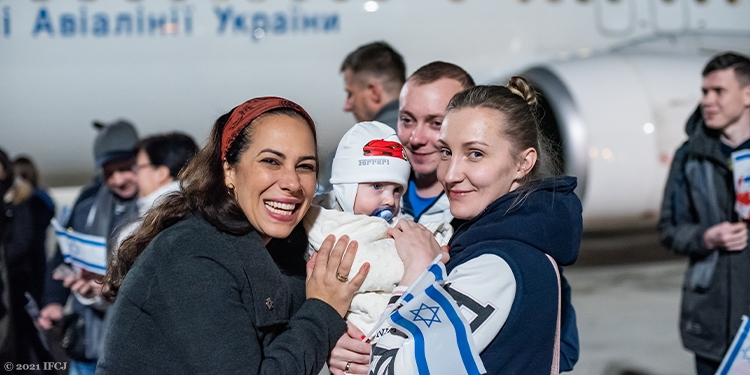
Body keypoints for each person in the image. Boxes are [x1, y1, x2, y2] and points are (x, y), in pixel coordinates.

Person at [97, 97, 369, 374]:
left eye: (305, 166)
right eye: (271, 161)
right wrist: (323, 311)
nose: (292, 183)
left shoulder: (280, 249)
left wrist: (333, 343)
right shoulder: (193, 255)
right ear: (229, 170)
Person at [372, 80, 581, 374]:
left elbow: (387, 370)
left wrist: (417, 277)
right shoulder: (522, 239)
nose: (451, 174)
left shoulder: (495, 266)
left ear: (523, 163)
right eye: (446, 152)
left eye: (476, 154)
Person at [303, 121, 451, 334]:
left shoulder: (398, 225)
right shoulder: (323, 225)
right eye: (377, 186)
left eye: (397, 190)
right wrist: (422, 258)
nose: (390, 200)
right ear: (347, 188)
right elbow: (361, 266)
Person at [657, 52, 750, 374]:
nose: (707, 101)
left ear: (748, 94)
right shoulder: (691, 155)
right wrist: (706, 237)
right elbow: (669, 228)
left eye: (719, 91)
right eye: (705, 91)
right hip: (712, 319)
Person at [37, 120, 139, 375]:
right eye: (109, 172)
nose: (118, 179)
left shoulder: (157, 208)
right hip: (88, 336)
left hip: (133, 335)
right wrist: (53, 301)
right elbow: (63, 256)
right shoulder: (86, 207)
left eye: (125, 168)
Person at [396, 61, 475, 225]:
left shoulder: (479, 212)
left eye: (437, 123)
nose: (416, 139)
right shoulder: (371, 192)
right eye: (407, 120)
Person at [0, 148, 56, 371]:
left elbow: (21, 245)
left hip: (20, 281)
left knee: (24, 338)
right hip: (21, 278)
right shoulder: (35, 201)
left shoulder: (23, 205)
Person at [115, 132, 198, 245]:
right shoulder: (208, 211)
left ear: (161, 173)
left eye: (138, 167)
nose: (135, 175)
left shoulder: (137, 235)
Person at [341, 41, 406, 130]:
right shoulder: (424, 136)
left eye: (350, 94)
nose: (346, 106)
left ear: (374, 93)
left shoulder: (362, 141)